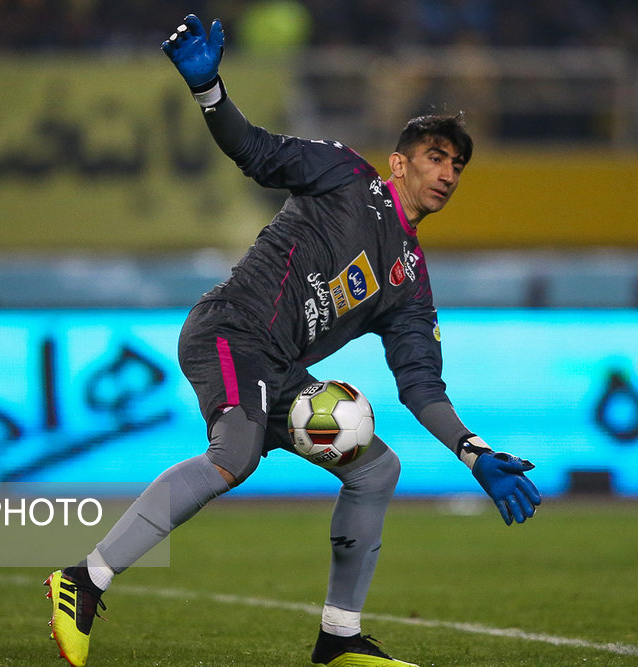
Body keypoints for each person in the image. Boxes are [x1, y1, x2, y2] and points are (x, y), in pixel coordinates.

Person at [45, 14, 540, 667]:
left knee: (376, 468)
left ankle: (338, 637)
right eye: (435, 157)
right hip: (229, 328)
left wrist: (473, 452)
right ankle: (83, 578)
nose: (447, 172)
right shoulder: (342, 174)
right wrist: (210, 91)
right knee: (234, 454)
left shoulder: (410, 281)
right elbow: (254, 149)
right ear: (400, 162)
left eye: (457, 164)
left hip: (276, 367)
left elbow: (421, 382)